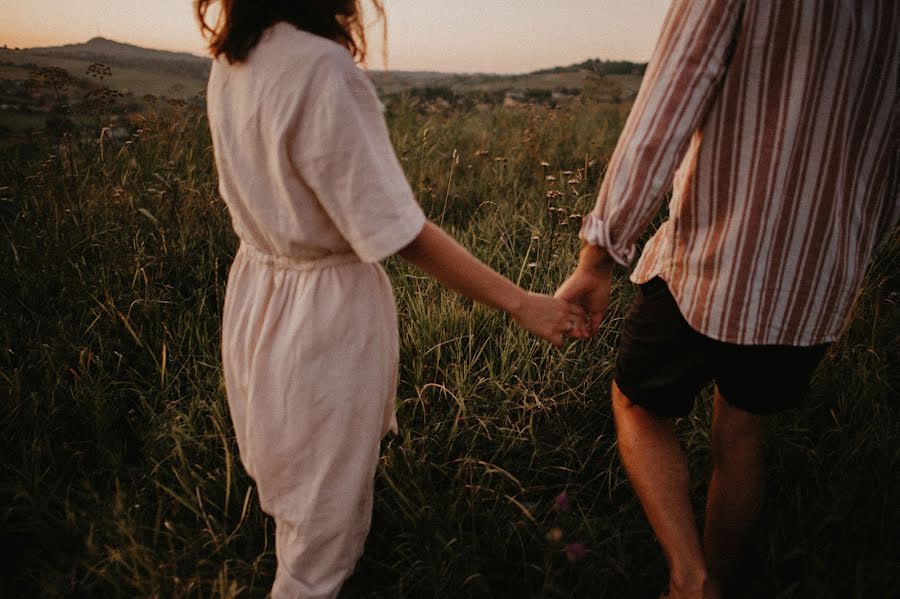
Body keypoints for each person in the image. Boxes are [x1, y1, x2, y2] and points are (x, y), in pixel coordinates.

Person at [195, 1, 588, 597]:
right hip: (320, 317)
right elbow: (399, 231)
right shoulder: (322, 70)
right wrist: (520, 302)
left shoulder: (234, 61)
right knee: (318, 539)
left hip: (257, 296)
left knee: (295, 484)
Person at [555, 1, 898, 597]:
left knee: (637, 404)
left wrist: (599, 254)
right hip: (814, 276)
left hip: (713, 259)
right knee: (741, 437)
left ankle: (690, 579)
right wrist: (850, 251)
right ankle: (720, 584)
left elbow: (663, 110)